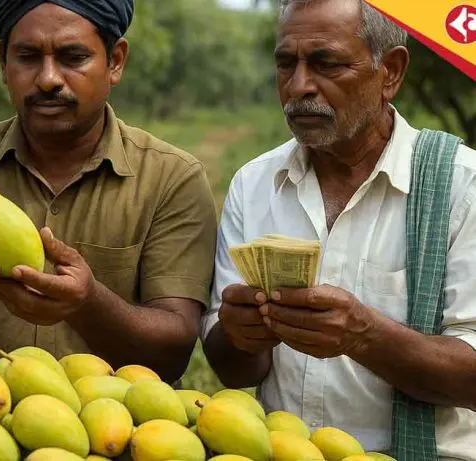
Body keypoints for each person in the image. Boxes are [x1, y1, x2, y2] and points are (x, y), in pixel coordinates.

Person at [0, 0, 218, 383]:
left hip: (116, 435)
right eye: (28, 56)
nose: (48, 79)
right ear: (4, 61)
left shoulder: (172, 178)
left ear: (115, 61)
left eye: (73, 57)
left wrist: (89, 303)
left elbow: (174, 351)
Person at [203, 0, 476, 458]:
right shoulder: (254, 184)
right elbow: (233, 370)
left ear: (390, 71)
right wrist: (239, 333)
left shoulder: (462, 187)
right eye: (285, 63)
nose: (298, 86)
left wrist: (364, 335)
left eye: (325, 63)